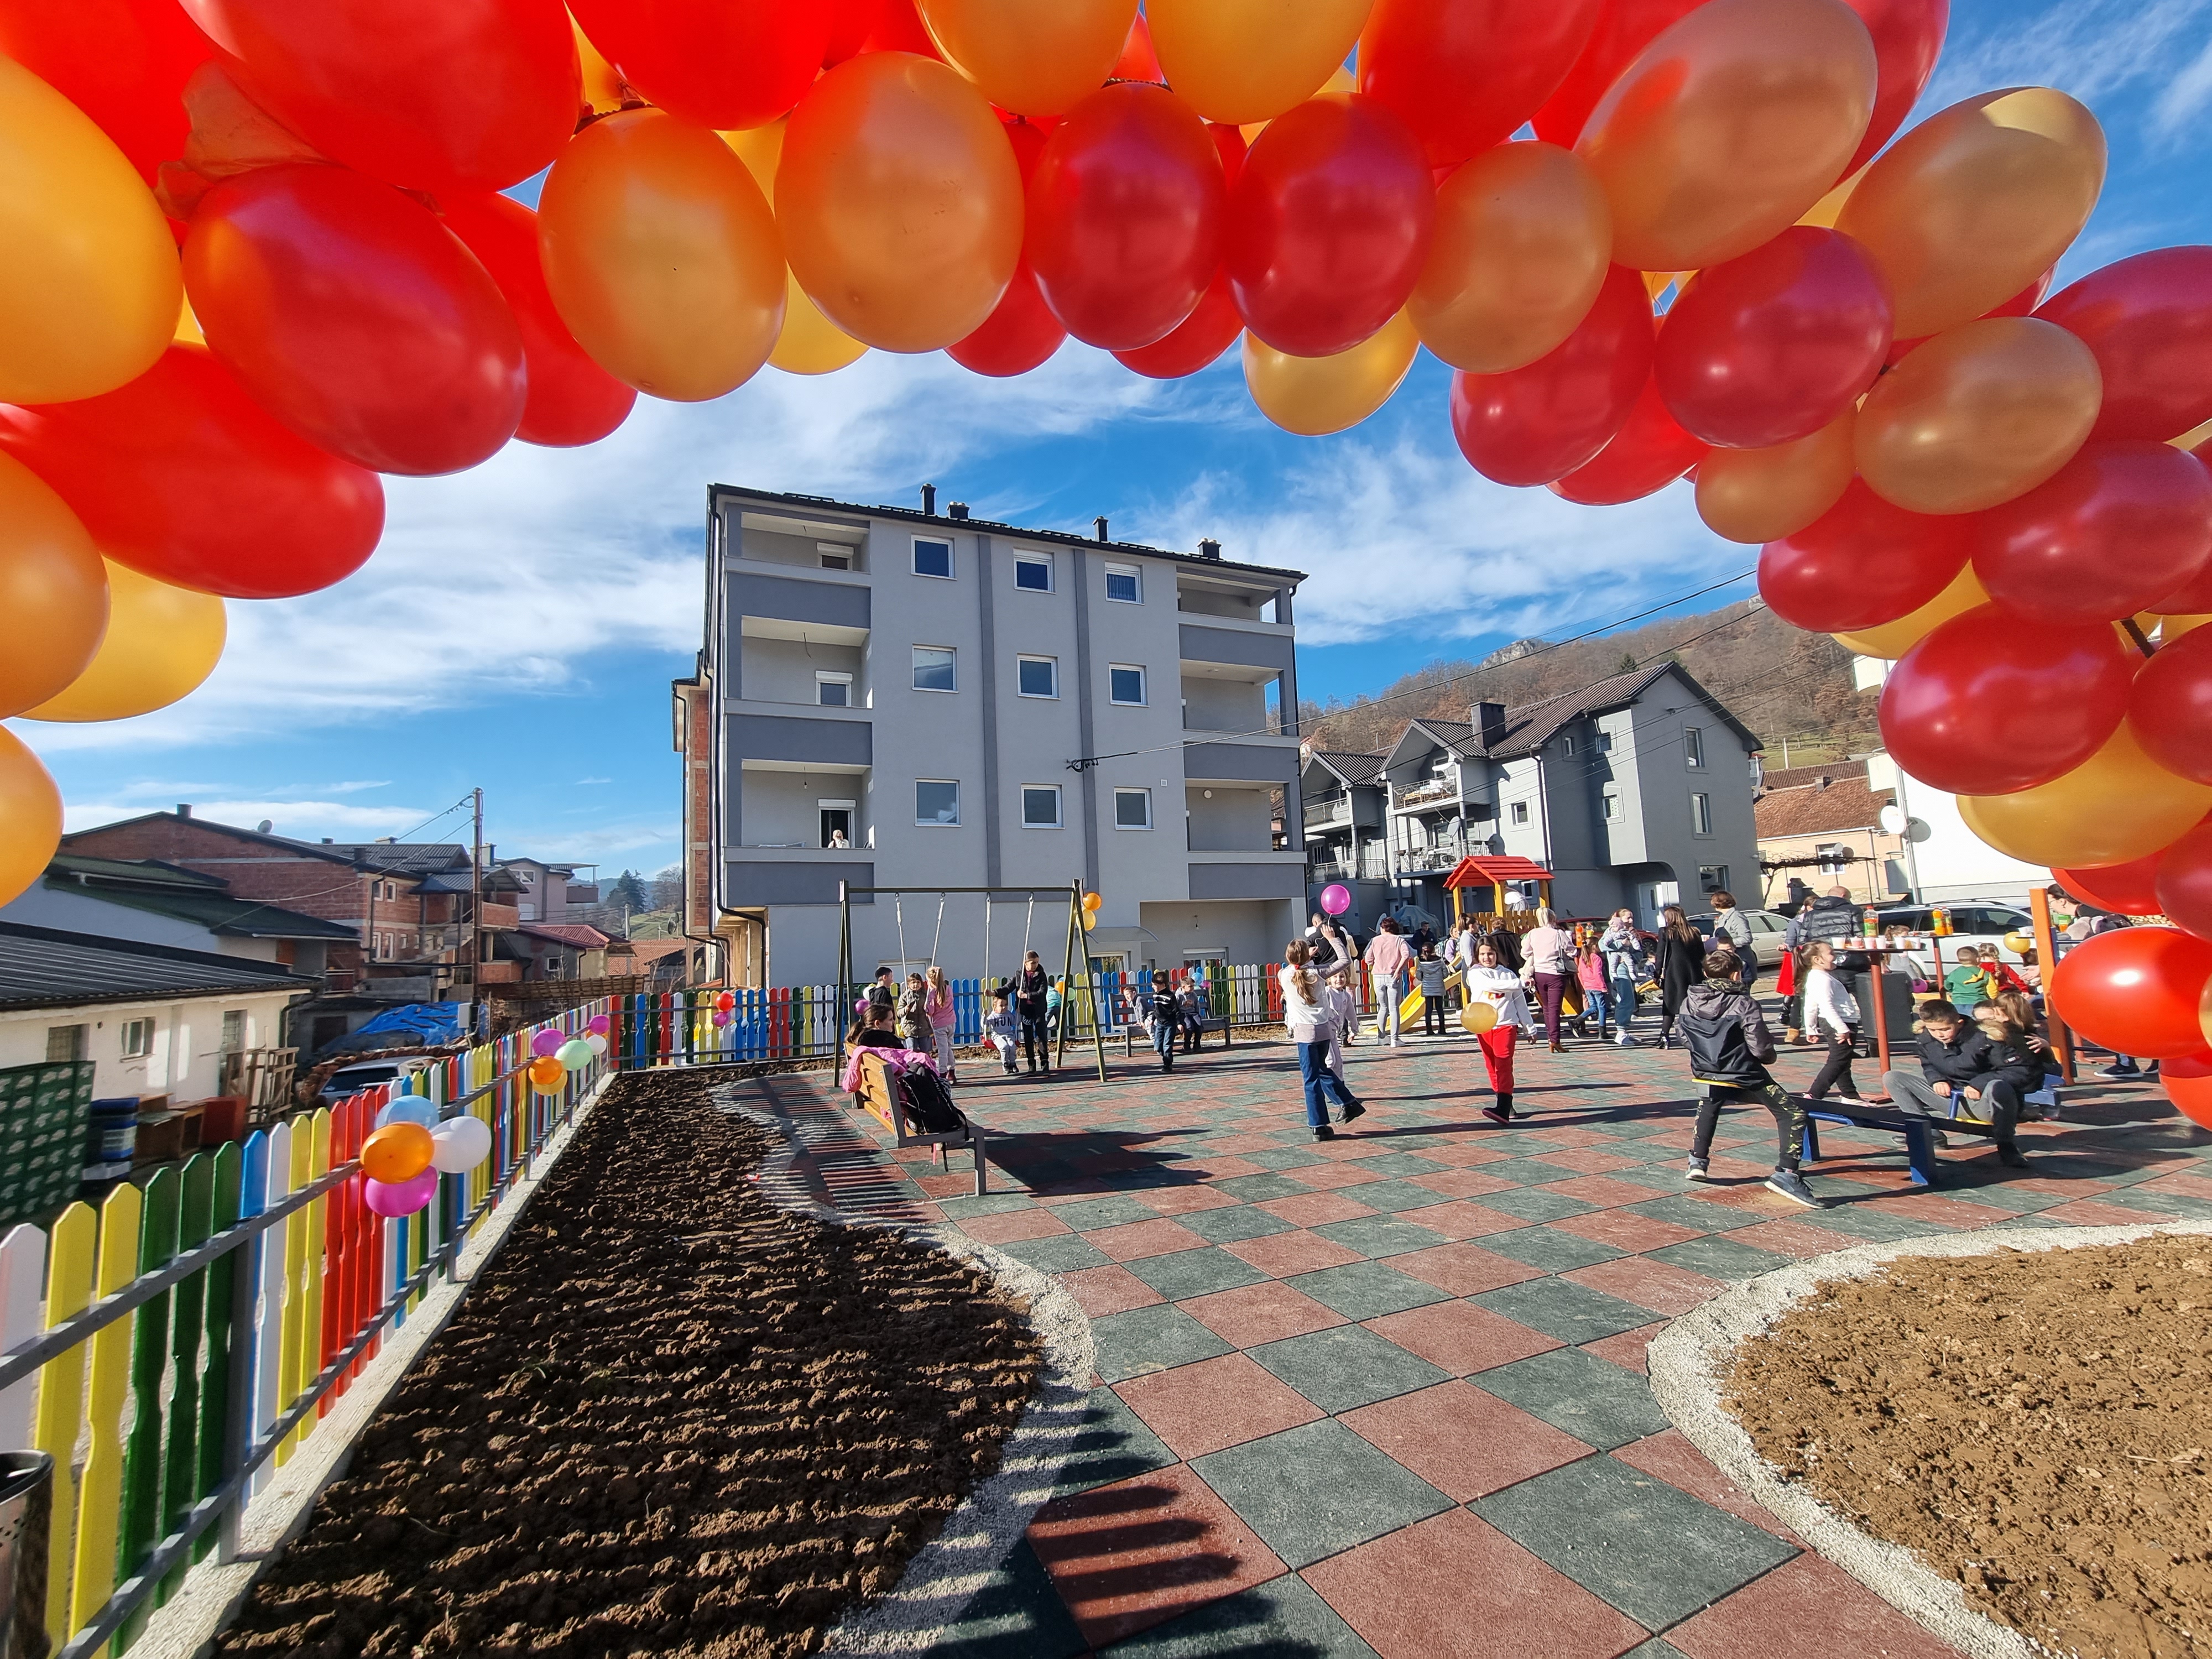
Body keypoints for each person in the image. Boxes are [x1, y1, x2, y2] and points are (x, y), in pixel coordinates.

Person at [1676, 945, 1822, 1207]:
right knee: (1792, 1113)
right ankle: (1786, 1173)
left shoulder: (1689, 1001)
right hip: (1744, 1072)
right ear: (1735, 975)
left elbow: (1682, 1034)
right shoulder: (1744, 1003)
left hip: (1705, 1070)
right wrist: (1767, 1058)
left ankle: (1697, 1161)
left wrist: (1704, 1056)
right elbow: (1760, 1045)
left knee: (1710, 1102)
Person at [1879, 999, 2030, 1167]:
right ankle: (1928, 1133)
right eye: (1933, 1030)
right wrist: (1937, 1079)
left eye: (1945, 1029)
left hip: (1986, 1102)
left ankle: (2007, 1145)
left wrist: (1979, 1084)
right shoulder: (1925, 1038)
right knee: (1893, 1078)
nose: (1939, 1034)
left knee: (1999, 1086)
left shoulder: (1987, 1038)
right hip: (1953, 1099)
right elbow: (1928, 1065)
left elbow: (2020, 1071)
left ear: (1959, 1023)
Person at [1280, 940, 1362, 1139]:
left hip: (1305, 1034)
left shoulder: (1285, 975)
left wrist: (1306, 958)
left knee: (1311, 1079)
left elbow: (1293, 967)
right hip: (1323, 1031)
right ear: (1307, 957)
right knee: (1321, 1070)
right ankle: (1348, 1102)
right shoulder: (1318, 973)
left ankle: (1319, 1125)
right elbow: (1344, 960)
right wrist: (1332, 939)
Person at [1464, 941, 1534, 1124]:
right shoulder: (1475, 973)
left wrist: (1530, 1028)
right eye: (1483, 954)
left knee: (1504, 1062)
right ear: (1477, 957)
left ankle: (1504, 1105)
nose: (1487, 957)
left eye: (1491, 953)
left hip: (1507, 1025)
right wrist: (1520, 982)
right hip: (1484, 1026)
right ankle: (1502, 1100)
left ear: (1497, 953)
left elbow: (1520, 1003)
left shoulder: (1508, 974)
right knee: (1492, 1065)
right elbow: (1492, 985)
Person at [1800, 940, 1863, 1103]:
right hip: (1840, 1022)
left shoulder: (1815, 977)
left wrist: (1811, 1028)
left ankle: (1850, 1095)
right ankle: (1814, 1094)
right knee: (1838, 1061)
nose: (1835, 956)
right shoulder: (1823, 979)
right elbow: (1826, 1006)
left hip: (1833, 1022)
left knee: (1843, 1060)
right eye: (1831, 953)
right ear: (1818, 960)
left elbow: (1810, 1005)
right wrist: (1842, 1028)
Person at [1522, 906, 1575, 1052]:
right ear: (1553, 919)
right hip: (1556, 973)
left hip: (1539, 973)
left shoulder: (1533, 934)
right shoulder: (1559, 934)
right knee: (1555, 1008)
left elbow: (1525, 952)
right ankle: (1555, 1040)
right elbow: (1572, 951)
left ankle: (1551, 1038)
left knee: (1546, 1007)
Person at [1654, 904, 1705, 1049]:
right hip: (1693, 971)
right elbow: (1702, 954)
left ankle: (1664, 1036)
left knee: (1670, 1004)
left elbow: (1661, 954)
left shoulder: (1666, 932)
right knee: (1692, 1004)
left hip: (1674, 972)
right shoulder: (1693, 932)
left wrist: (1657, 973)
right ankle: (1697, 1035)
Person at [1365, 917, 1416, 1047]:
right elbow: (1407, 955)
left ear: (1383, 928)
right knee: (1394, 1008)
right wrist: (1399, 969)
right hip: (1393, 975)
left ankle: (1381, 1037)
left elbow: (1368, 959)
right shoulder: (1399, 940)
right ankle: (1395, 1039)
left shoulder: (1375, 941)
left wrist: (1375, 963)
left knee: (1383, 1007)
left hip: (1377, 976)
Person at [1600, 909, 1645, 1047]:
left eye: (1632, 918)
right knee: (1625, 999)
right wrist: (1621, 944)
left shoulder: (1631, 933)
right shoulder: (1611, 931)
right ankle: (1621, 1032)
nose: (1631, 921)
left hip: (1630, 969)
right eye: (1628, 918)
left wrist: (1631, 949)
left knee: (1630, 1001)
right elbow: (1602, 946)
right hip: (1619, 971)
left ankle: (1624, 1030)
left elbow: (1639, 954)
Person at [1708, 891, 1759, 989]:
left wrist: (1726, 944)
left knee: (1742, 996)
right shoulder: (1723, 918)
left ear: (1718, 903)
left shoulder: (1736, 917)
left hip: (1741, 963)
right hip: (1729, 963)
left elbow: (1746, 938)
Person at [1014, 950, 1051, 1077]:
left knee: (1041, 1037)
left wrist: (1026, 995)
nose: (1035, 965)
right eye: (1033, 963)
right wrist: (994, 993)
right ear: (1026, 963)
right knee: (1028, 1037)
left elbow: (1042, 992)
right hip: (1026, 1011)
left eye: (1037, 962)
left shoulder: (1041, 974)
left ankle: (1045, 1064)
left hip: (1038, 1010)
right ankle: (1031, 1065)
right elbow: (1009, 986)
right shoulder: (1020, 974)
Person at [1323, 968, 1359, 1088]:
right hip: (1323, 1033)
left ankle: (1340, 1087)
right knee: (1330, 1061)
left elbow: (1351, 1014)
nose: (1339, 980)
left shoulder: (1346, 996)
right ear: (1329, 979)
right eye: (1335, 977)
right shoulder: (1326, 992)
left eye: (1342, 976)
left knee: (1338, 1063)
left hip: (1333, 1033)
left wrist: (1354, 1030)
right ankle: (1325, 1084)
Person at [924, 964, 959, 1083]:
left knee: (943, 1050)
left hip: (940, 1025)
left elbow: (931, 1011)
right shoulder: (948, 989)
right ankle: (952, 1070)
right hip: (951, 1022)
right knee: (949, 1047)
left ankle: (943, 1073)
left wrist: (927, 1005)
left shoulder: (932, 994)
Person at [1574, 935, 1611, 1040]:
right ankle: (1602, 1031)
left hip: (1587, 986)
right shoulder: (1596, 958)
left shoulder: (1583, 958)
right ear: (1595, 946)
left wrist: (1584, 985)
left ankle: (1576, 1022)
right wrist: (1603, 986)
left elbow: (1580, 973)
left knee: (1593, 1007)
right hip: (1597, 986)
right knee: (1602, 1008)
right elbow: (1598, 973)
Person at [1943, 944, 2000, 1008]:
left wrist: (1952, 991)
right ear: (1978, 959)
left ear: (1959, 961)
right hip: (1979, 1005)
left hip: (1958, 1003)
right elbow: (1992, 992)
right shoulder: (1986, 974)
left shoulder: (1954, 973)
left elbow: (1947, 986)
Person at [1147, 972, 1182, 1073]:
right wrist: (1153, 1019)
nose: (1153, 987)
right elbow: (1156, 1009)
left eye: (1155, 985)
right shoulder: (1155, 996)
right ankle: (1166, 1057)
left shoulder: (1170, 996)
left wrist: (1179, 1023)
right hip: (1159, 1023)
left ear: (1162, 985)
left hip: (1170, 1024)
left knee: (1167, 1045)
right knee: (1158, 1046)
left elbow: (1177, 1010)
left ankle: (1167, 1064)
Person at [983, 988, 1019, 1075]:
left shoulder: (1009, 1014)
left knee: (1012, 1046)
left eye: (1006, 1005)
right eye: (1001, 1005)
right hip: (998, 1037)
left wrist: (1019, 1014)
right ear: (995, 1007)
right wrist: (984, 1016)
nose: (1004, 1007)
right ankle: (1005, 1064)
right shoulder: (993, 1016)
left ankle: (1013, 1063)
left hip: (1009, 1035)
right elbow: (985, 1025)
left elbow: (1016, 1023)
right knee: (1004, 1047)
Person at [1417, 944, 1448, 1036]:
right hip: (1438, 987)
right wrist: (1440, 978)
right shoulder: (1440, 961)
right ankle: (1442, 1029)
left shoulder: (1421, 962)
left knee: (1429, 1009)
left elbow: (1419, 975)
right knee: (1440, 1009)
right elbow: (1445, 973)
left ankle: (1429, 1030)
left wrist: (1424, 979)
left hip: (1428, 988)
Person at [897, 972, 932, 1053]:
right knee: (912, 1051)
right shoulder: (905, 996)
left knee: (925, 1052)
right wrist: (906, 1009)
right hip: (910, 1029)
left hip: (924, 1028)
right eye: (913, 982)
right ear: (909, 984)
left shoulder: (926, 995)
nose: (916, 984)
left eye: (918, 982)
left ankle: (925, 1066)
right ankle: (913, 1066)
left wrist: (928, 1007)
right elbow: (899, 1012)